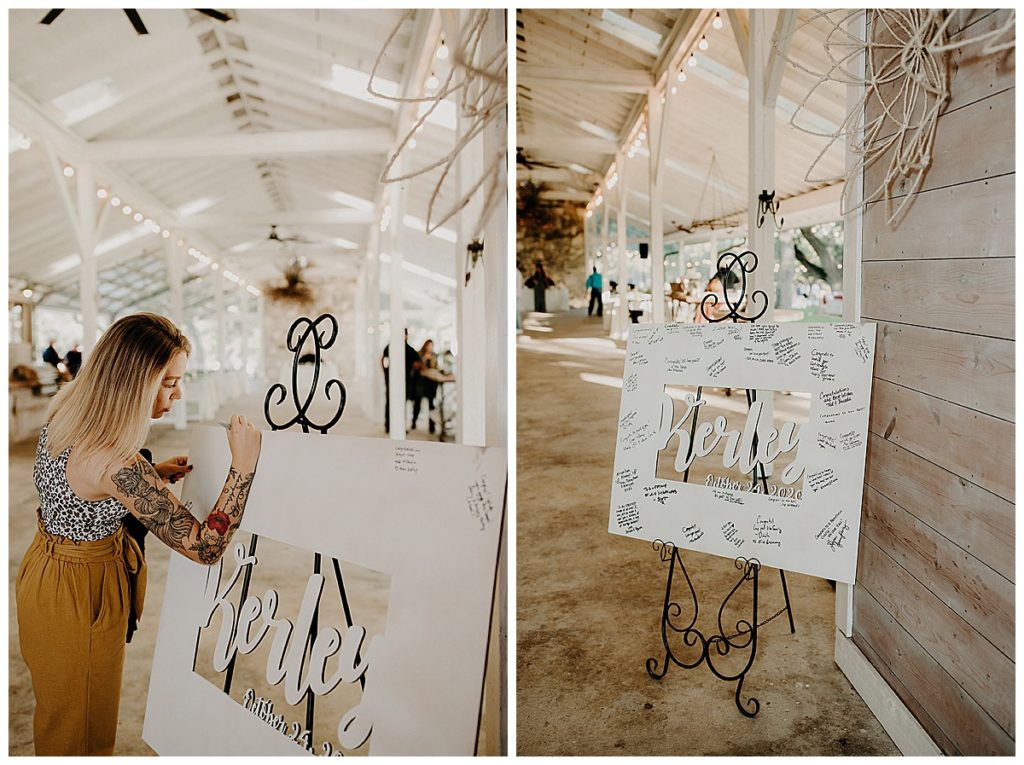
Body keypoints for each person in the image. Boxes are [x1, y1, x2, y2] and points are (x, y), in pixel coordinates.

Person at [15, 312, 262, 756]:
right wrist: (243, 466)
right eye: (168, 382)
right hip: (81, 591)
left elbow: (81, 491)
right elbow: (206, 546)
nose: (178, 393)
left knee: (59, 716)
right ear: (133, 380)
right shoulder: (112, 459)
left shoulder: (70, 406)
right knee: (81, 736)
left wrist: (153, 473)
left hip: (44, 573)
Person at [381, 329, 422, 434]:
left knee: (397, 403)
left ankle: (393, 425)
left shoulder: (404, 349)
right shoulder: (393, 347)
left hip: (403, 380)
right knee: (394, 402)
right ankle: (391, 425)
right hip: (398, 380)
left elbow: (383, 360)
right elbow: (383, 360)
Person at [412, 339, 438, 434]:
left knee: (431, 405)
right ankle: (414, 422)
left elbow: (435, 367)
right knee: (418, 403)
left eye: (431, 345)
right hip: (421, 383)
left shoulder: (434, 355)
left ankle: (432, 426)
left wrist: (431, 360)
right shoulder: (419, 354)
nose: (430, 347)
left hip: (431, 383)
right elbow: (416, 367)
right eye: (428, 345)